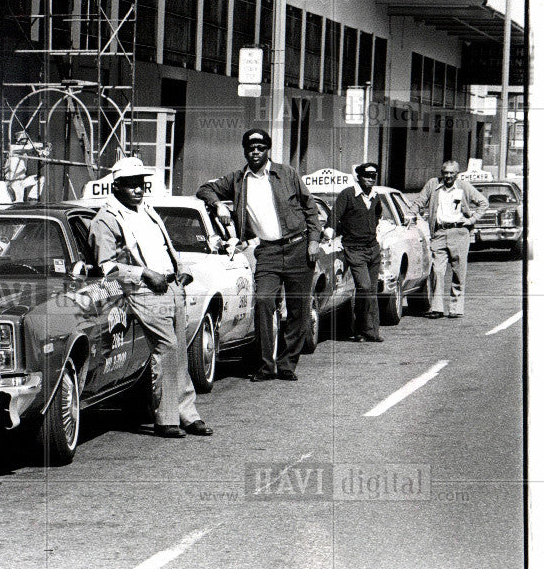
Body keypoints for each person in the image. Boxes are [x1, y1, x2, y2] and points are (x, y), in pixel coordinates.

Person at [89, 157, 213, 439]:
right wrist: (144, 274)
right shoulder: (106, 219)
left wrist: (181, 270)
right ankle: (166, 418)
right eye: (130, 185)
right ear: (116, 186)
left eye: (140, 183)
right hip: (144, 291)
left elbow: (164, 247)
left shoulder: (147, 211)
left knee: (180, 351)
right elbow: (106, 267)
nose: (137, 189)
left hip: (171, 287)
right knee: (167, 348)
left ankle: (187, 414)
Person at [196, 128, 322, 382]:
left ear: (267, 150)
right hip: (268, 251)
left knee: (299, 309)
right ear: (245, 151)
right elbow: (204, 189)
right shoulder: (238, 179)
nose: (255, 153)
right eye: (250, 149)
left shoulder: (287, 174)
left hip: (298, 247)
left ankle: (287, 364)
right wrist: (218, 203)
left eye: (260, 149)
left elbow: (310, 208)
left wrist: (314, 241)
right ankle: (266, 365)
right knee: (264, 301)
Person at [412, 159, 488, 319]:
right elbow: (420, 201)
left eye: (451, 173)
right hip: (439, 233)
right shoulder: (433, 184)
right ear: (441, 173)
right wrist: (412, 213)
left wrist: (471, 220)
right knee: (437, 271)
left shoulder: (463, 187)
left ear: (457, 174)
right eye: (445, 173)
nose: (448, 176)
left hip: (459, 233)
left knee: (459, 272)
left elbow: (483, 203)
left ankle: (455, 308)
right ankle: (437, 308)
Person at [327, 162, 384, 342]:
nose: (370, 179)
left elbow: (377, 217)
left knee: (372, 291)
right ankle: (360, 328)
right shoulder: (348, 194)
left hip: (372, 248)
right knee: (364, 287)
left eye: (373, 176)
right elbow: (334, 217)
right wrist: (329, 233)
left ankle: (370, 331)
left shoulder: (375, 196)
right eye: (367, 175)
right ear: (359, 177)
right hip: (354, 249)